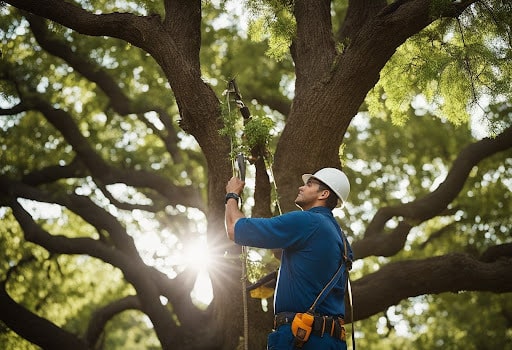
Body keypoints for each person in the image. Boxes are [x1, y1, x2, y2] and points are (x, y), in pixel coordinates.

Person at [225, 167, 353, 350]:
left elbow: (234, 229)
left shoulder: (307, 222)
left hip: (301, 339)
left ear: (324, 194)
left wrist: (231, 195)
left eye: (309, 184)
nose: (301, 187)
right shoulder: (341, 238)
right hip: (332, 342)